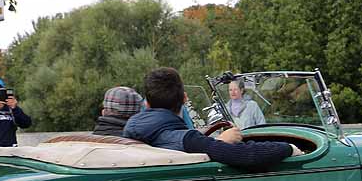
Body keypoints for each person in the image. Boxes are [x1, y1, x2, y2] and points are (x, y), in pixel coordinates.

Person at [123, 67, 300, 170]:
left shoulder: (130, 132)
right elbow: (248, 156)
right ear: (185, 99)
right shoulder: (187, 140)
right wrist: (290, 148)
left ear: (147, 104)